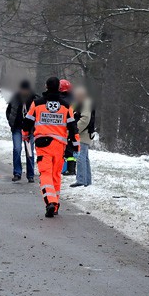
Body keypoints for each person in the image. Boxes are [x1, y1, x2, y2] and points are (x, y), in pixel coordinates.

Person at [23, 77, 79, 218]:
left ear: (46, 86)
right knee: (56, 175)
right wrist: (76, 145)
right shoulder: (66, 106)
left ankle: (50, 202)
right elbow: (73, 127)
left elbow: (27, 121)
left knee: (46, 174)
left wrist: (25, 134)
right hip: (60, 146)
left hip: (43, 145)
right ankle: (55, 205)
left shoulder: (37, 104)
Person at [6, 80, 39, 182]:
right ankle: (17, 173)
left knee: (29, 152)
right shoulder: (15, 98)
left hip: (29, 130)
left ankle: (30, 175)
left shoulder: (35, 99)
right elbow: (9, 111)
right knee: (17, 149)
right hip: (17, 128)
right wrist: (11, 122)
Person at [71, 86, 93, 188]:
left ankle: (81, 180)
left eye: (77, 96)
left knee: (80, 157)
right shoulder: (82, 103)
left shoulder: (85, 103)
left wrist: (75, 130)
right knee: (85, 157)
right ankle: (87, 180)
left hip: (83, 134)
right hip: (85, 133)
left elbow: (85, 119)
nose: (75, 97)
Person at [59, 79, 78, 176]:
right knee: (72, 148)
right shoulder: (73, 99)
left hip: (61, 127)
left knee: (64, 150)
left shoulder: (59, 99)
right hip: (71, 126)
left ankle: (66, 168)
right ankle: (71, 169)